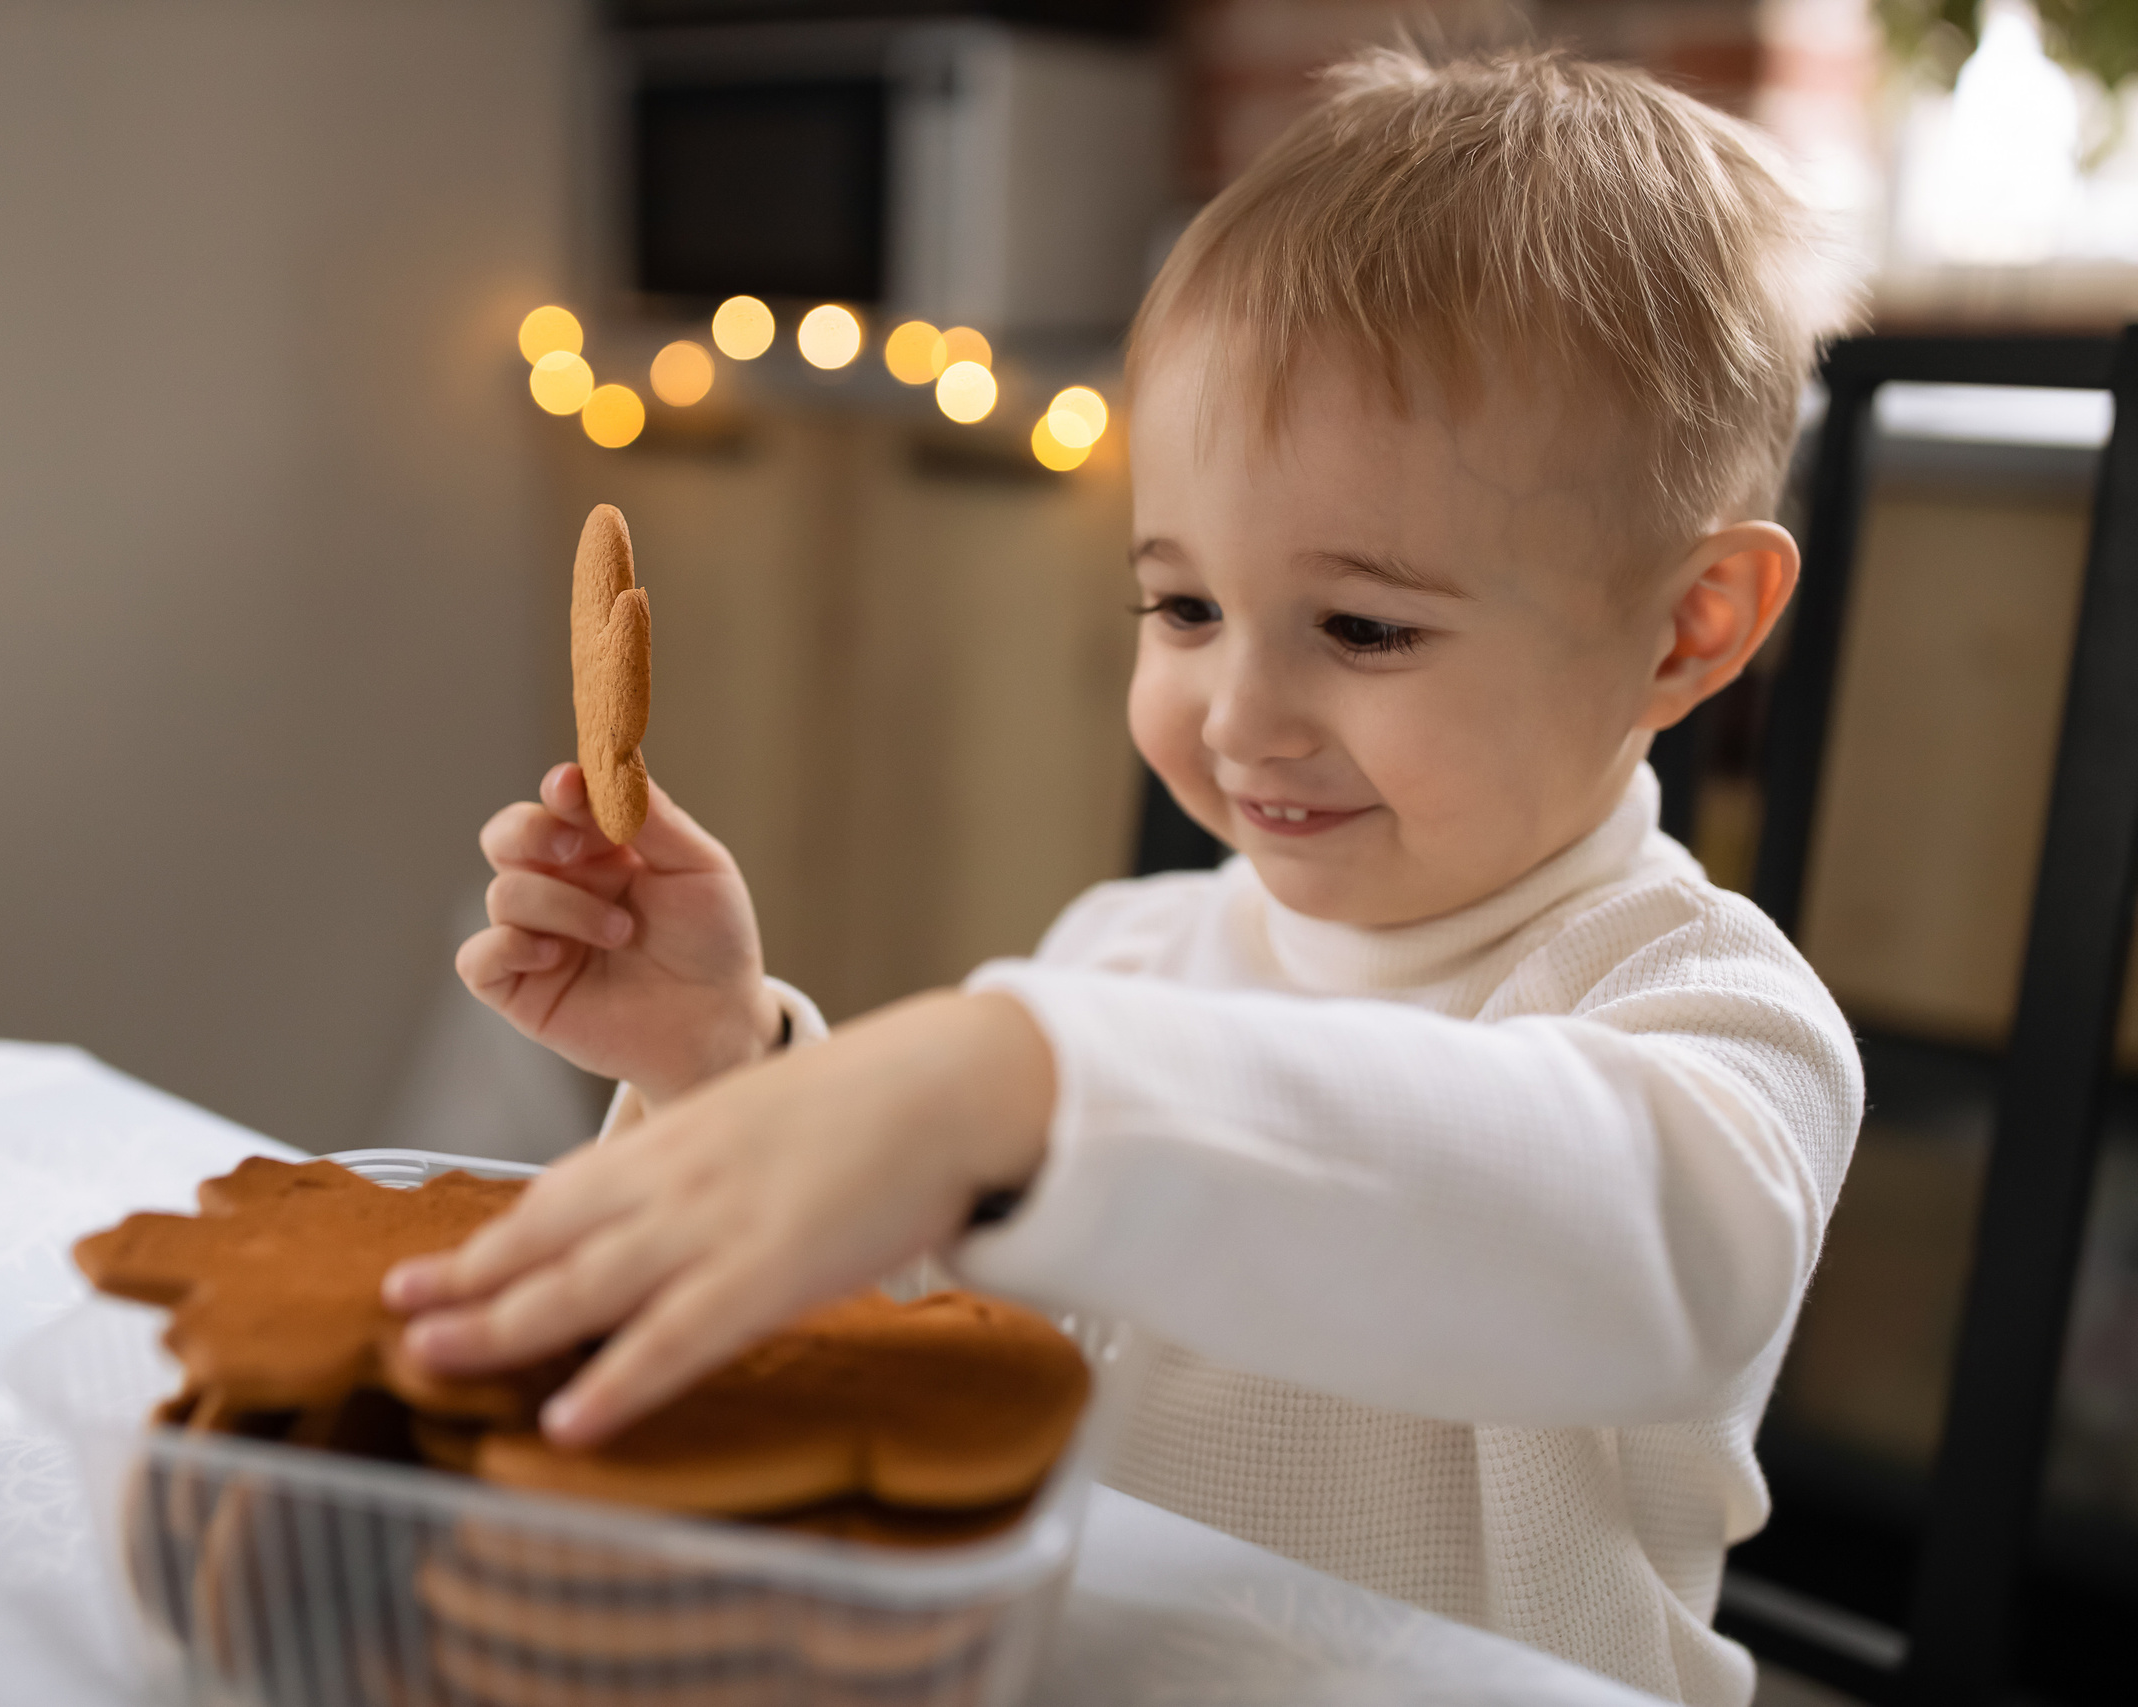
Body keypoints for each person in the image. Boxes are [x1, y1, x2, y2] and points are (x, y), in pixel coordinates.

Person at [386, 47, 1862, 1706]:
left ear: (1687, 629)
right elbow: (931, 1349)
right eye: (1185, 608)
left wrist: (1013, 1085)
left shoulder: (1711, 1021)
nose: (1236, 715)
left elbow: (1616, 1242)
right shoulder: (1119, 962)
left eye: (1363, 626)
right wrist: (730, 1066)